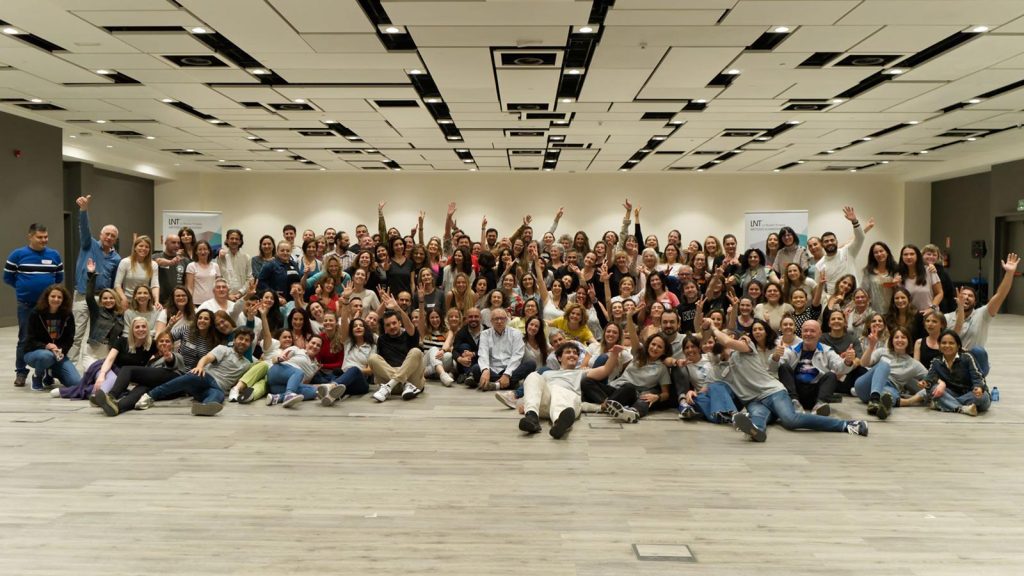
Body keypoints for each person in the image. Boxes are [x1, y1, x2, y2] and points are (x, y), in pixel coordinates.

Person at [702, 319, 868, 442]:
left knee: (790, 420)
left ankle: (847, 425)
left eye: (721, 337)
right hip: (752, 400)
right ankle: (756, 431)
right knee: (758, 417)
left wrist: (714, 327)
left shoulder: (746, 348)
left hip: (772, 392)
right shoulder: (718, 368)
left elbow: (727, 341)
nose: (718, 339)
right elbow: (701, 341)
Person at [135, 327, 255, 416]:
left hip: (217, 389)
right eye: (240, 338)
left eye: (246, 340)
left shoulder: (247, 364)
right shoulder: (224, 349)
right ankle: (150, 396)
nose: (243, 342)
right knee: (193, 376)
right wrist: (200, 367)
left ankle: (205, 407)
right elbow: (207, 358)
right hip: (206, 378)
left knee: (218, 396)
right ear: (234, 340)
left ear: (250, 344)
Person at [518, 343, 625, 439]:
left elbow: (605, 370)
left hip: (568, 403)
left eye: (575, 353)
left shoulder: (581, 373)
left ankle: (559, 423)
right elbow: (534, 388)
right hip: (546, 404)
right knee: (533, 375)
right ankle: (532, 417)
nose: (572, 354)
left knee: (559, 390)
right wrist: (525, 403)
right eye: (568, 352)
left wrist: (614, 354)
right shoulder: (547, 374)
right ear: (559, 358)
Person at [6, 223, 64, 387]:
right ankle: (21, 372)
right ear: (30, 236)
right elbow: (8, 278)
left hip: (48, 307)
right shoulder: (17, 255)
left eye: (46, 237)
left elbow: (58, 278)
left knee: (50, 338)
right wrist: (24, 289)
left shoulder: (54, 255)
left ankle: (47, 373)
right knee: (25, 338)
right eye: (40, 237)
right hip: (26, 305)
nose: (44, 240)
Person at [947, 253, 1019, 376]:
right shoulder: (946, 317)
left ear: (975, 302)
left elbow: (1000, 294)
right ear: (957, 298)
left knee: (978, 351)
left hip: (976, 364)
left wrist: (1009, 273)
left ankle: (977, 382)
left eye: (970, 296)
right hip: (953, 363)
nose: (966, 297)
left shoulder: (982, 315)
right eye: (963, 295)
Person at [69, 194, 120, 367]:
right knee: (77, 334)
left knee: (98, 336)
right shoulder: (88, 244)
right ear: (101, 234)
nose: (109, 237)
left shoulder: (116, 258)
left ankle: (95, 367)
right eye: (107, 234)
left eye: (113, 236)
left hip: (102, 300)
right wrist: (83, 210)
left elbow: (114, 283)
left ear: (115, 239)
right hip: (83, 296)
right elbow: (84, 228)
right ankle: (69, 369)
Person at [93, 330, 186, 417]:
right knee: (139, 391)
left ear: (172, 345)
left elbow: (172, 362)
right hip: (162, 389)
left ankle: (111, 396)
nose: (164, 343)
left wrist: (169, 357)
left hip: (174, 380)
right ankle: (117, 407)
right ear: (157, 345)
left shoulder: (176, 355)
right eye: (161, 341)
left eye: (167, 341)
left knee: (127, 369)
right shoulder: (152, 360)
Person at [779, 319, 857, 415]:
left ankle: (819, 405)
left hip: (816, 393)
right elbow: (775, 367)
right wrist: (775, 357)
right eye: (805, 331)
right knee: (784, 367)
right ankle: (794, 403)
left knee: (831, 375)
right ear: (801, 333)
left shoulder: (827, 350)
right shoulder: (792, 349)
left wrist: (847, 361)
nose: (808, 334)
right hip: (795, 392)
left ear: (819, 334)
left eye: (812, 331)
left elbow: (839, 367)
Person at [855, 326, 928, 420]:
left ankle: (881, 408)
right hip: (867, 385)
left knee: (889, 396)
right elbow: (863, 363)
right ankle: (875, 399)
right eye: (896, 337)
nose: (899, 340)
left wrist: (926, 385)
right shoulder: (882, 351)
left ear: (908, 341)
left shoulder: (913, 364)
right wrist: (871, 346)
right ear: (892, 340)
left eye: (903, 337)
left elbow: (931, 377)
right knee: (884, 365)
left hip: (889, 388)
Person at [369, 291, 424, 402]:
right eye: (388, 325)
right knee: (372, 358)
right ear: (385, 327)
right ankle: (403, 384)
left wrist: (397, 308)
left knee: (416, 351)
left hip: (412, 380)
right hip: (394, 384)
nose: (392, 326)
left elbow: (410, 327)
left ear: (400, 323)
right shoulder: (382, 339)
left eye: (394, 323)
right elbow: (382, 366)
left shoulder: (409, 335)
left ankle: (394, 384)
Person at [22, 284, 79, 392]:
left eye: (59, 297)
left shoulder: (67, 315)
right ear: (47, 297)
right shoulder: (36, 313)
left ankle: (51, 372)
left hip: (58, 354)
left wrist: (61, 350)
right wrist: (46, 346)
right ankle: (37, 376)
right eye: (53, 296)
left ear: (63, 300)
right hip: (35, 353)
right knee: (46, 356)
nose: (56, 299)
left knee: (75, 382)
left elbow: (69, 338)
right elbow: (30, 339)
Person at [465, 308, 534, 391]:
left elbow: (517, 356)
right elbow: (483, 354)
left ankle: (496, 385)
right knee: (476, 368)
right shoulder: (485, 334)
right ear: (491, 321)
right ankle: (510, 383)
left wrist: (507, 374)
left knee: (531, 364)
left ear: (507, 320)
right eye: (496, 319)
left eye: (502, 318)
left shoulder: (516, 333)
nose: (499, 321)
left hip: (510, 368)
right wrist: (485, 370)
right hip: (492, 369)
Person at [923, 329, 990, 416]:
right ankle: (962, 408)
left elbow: (978, 377)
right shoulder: (936, 361)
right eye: (944, 343)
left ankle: (945, 404)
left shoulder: (967, 357)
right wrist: (925, 383)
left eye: (951, 343)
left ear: (958, 346)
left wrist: (978, 388)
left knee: (983, 397)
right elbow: (930, 378)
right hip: (952, 393)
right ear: (939, 345)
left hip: (970, 394)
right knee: (933, 389)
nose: (947, 345)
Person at [78, 258, 125, 370]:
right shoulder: (97, 311)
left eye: (111, 298)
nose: (108, 301)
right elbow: (89, 296)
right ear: (101, 300)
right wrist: (91, 275)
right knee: (95, 374)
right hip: (92, 352)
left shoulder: (120, 316)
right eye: (105, 298)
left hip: (108, 353)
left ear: (115, 299)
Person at [816, 206, 864, 296]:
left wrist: (854, 221)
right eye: (826, 241)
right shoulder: (819, 265)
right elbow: (819, 288)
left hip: (854, 298)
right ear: (822, 245)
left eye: (832, 240)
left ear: (837, 241)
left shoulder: (848, 251)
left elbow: (860, 238)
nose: (830, 243)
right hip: (833, 300)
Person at [264, 335, 323, 408]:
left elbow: (303, 383)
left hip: (279, 387)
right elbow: (274, 360)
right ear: (307, 343)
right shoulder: (296, 350)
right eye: (313, 343)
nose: (315, 346)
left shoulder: (315, 366)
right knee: (299, 372)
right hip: (277, 373)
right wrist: (279, 359)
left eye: (318, 345)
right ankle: (289, 394)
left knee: (314, 392)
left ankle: (277, 398)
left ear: (320, 349)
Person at [114, 235, 160, 311]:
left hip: (144, 303)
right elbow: (117, 285)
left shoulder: (153, 264)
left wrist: (156, 301)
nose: (143, 248)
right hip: (128, 301)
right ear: (135, 247)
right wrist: (123, 298)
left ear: (149, 249)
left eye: (147, 247)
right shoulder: (125, 262)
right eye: (141, 246)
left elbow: (155, 285)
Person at [216, 229, 250, 300]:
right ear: (227, 240)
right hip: (225, 297)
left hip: (242, 297)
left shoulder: (246, 257)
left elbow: (249, 278)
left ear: (240, 241)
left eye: (237, 239)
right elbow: (219, 278)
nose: (234, 241)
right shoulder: (221, 257)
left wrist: (240, 293)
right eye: (231, 238)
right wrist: (228, 295)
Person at [155, 234, 187, 308]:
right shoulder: (156, 256)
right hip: (160, 302)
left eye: (178, 243)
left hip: (179, 301)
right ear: (165, 243)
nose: (176, 245)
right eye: (173, 242)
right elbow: (159, 261)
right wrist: (170, 262)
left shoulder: (185, 260)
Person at [185, 240, 219, 304]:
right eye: (200, 249)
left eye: (205, 249)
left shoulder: (215, 266)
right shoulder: (191, 266)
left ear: (209, 251)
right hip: (196, 302)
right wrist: (189, 303)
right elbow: (189, 287)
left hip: (213, 302)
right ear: (196, 252)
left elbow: (218, 285)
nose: (203, 252)